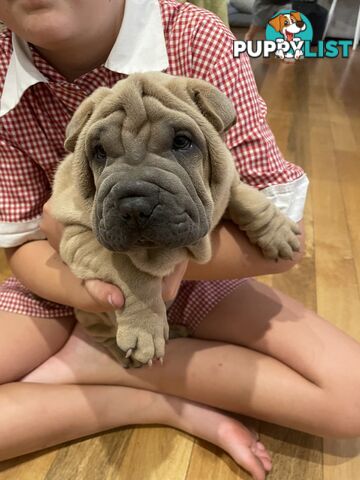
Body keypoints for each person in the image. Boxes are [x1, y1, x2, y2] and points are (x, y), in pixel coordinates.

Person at [0, 1, 359, 480]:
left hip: (193, 273)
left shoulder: (195, 38)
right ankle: (148, 401)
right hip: (63, 274)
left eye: (181, 143)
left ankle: (102, 361)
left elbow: (279, 234)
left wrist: (154, 285)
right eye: (103, 152)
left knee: (350, 395)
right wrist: (103, 296)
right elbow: (25, 240)